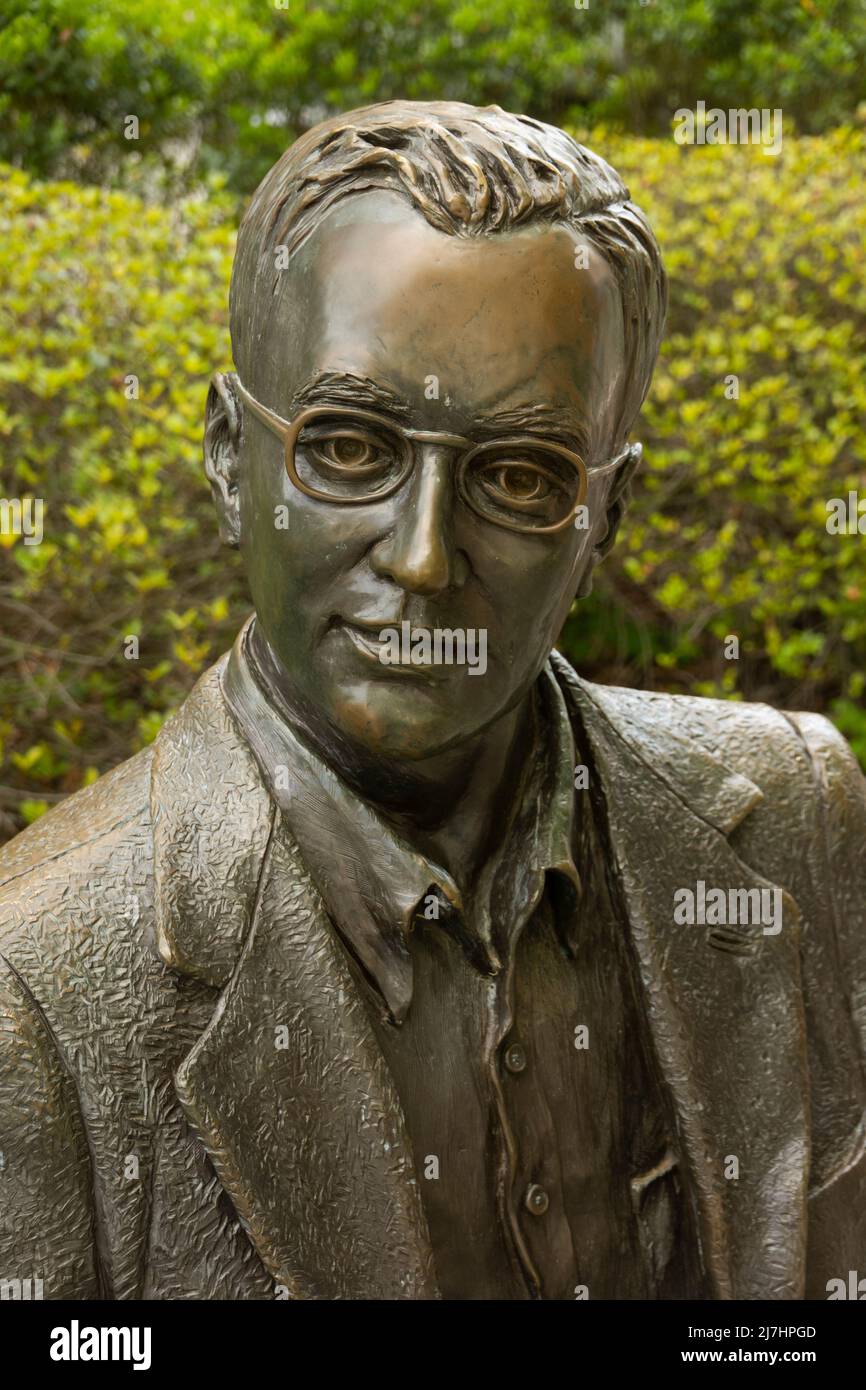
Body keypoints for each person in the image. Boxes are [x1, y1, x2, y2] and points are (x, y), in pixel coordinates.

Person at [1, 101, 864, 1301]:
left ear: (602, 515)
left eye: (517, 476)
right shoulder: (33, 993)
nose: (419, 557)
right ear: (225, 458)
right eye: (349, 447)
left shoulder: (792, 823)